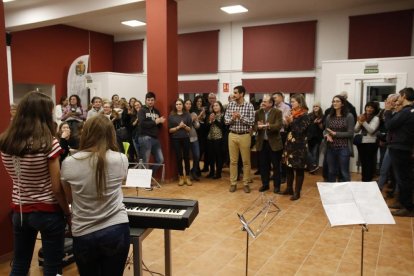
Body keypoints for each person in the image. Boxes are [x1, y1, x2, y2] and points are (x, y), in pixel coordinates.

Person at [0, 91, 71, 276]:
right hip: (48, 211)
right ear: (43, 114)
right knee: (52, 266)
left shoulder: (6, 142)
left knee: (20, 264)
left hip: (20, 210)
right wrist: (67, 211)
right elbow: (56, 188)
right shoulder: (49, 143)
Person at [61, 115, 130, 275]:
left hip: (84, 232)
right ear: (110, 134)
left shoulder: (69, 163)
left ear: (86, 133)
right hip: (116, 228)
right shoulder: (121, 159)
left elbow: (70, 198)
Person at [384, 87, 414, 217]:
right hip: (401, 147)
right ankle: (402, 202)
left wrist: (387, 111)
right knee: (400, 177)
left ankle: (407, 207)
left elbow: (389, 125)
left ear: (404, 96)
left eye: (400, 96)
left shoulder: (407, 112)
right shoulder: (406, 111)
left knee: (403, 178)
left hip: (401, 148)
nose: (398, 99)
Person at [224, 85, 255, 193]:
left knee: (246, 161)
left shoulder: (249, 106)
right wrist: (233, 118)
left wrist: (240, 117)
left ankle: (246, 183)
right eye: (234, 92)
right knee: (233, 161)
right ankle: (233, 183)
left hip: (245, 135)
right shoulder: (230, 105)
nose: (234, 95)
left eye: (236, 93)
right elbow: (226, 121)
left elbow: (251, 122)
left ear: (241, 94)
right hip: (232, 135)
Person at [280, 94, 310, 200]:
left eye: (293, 102)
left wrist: (291, 122)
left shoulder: (305, 115)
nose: (291, 103)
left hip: (300, 146)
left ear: (300, 102)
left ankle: (297, 192)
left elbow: (300, 131)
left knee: (299, 169)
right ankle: (289, 188)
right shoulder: (292, 113)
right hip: (290, 144)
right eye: (291, 101)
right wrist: (287, 123)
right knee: (288, 167)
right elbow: (290, 129)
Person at [254, 94, 283, 193]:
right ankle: (265, 184)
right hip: (262, 143)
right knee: (263, 165)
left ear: (271, 103)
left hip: (274, 143)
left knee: (276, 166)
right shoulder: (258, 112)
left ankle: (277, 186)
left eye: (265, 102)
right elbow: (253, 125)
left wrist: (268, 126)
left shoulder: (277, 112)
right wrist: (257, 127)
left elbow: (279, 125)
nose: (262, 103)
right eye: (262, 101)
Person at [324, 95, 355, 182]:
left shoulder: (349, 116)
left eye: (337, 101)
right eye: (333, 101)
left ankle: (346, 193)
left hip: (344, 148)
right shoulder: (329, 116)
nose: (335, 103)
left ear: (342, 104)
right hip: (331, 147)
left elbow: (350, 133)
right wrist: (327, 135)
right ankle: (332, 192)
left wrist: (335, 134)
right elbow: (325, 130)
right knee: (331, 171)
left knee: (344, 172)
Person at [137, 92, 165, 174]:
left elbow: (158, 125)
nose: (150, 102)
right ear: (145, 100)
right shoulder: (142, 110)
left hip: (155, 138)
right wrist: (155, 122)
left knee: (160, 159)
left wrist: (160, 122)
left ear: (154, 101)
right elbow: (142, 123)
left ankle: (149, 175)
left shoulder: (156, 111)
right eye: (148, 100)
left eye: (152, 100)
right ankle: (144, 180)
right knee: (145, 160)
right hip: (144, 137)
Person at [168, 99, 193, 186]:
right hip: (176, 139)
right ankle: (181, 177)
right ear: (175, 106)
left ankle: (188, 177)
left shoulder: (187, 115)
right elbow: (170, 130)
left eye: (180, 104)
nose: (178, 106)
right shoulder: (171, 115)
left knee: (186, 157)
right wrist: (179, 127)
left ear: (183, 105)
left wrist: (184, 126)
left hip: (185, 138)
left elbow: (190, 129)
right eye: (177, 104)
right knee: (179, 158)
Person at [354, 101, 380, 181]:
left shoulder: (376, 118)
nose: (369, 109)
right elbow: (355, 130)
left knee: (369, 162)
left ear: (374, 109)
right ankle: (364, 179)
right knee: (363, 162)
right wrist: (359, 122)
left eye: (371, 108)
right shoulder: (362, 116)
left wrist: (363, 122)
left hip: (371, 143)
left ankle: (368, 179)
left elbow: (371, 130)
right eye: (368, 107)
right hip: (361, 143)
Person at [272, 92, 291, 183]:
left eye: (275, 98)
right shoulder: (273, 107)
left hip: (282, 133)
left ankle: (283, 175)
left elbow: (285, 122)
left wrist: (276, 121)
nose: (273, 99)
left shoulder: (286, 107)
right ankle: (275, 174)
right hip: (272, 133)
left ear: (281, 97)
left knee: (282, 156)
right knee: (274, 156)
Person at [206, 101, 226, 179]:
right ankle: (211, 172)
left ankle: (218, 173)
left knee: (218, 156)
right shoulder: (210, 115)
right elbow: (206, 127)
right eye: (214, 106)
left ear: (220, 107)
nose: (215, 107)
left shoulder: (223, 115)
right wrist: (210, 121)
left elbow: (223, 127)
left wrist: (215, 120)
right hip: (210, 138)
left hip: (219, 138)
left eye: (217, 105)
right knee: (211, 156)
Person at [184, 99, 201, 181]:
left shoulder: (193, 113)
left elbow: (197, 126)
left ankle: (193, 171)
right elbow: (184, 125)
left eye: (190, 104)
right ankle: (187, 174)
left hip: (194, 137)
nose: (188, 105)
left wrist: (195, 121)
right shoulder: (182, 114)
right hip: (185, 138)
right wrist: (191, 120)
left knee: (197, 155)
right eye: (186, 103)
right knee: (186, 157)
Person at [307, 102, 324, 173]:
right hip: (309, 137)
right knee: (308, 153)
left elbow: (323, 128)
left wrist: (319, 123)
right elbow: (306, 126)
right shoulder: (309, 115)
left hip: (317, 138)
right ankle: (312, 166)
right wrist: (313, 122)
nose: (315, 107)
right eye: (314, 106)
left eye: (317, 106)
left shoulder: (322, 116)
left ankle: (313, 168)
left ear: (319, 107)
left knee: (315, 153)